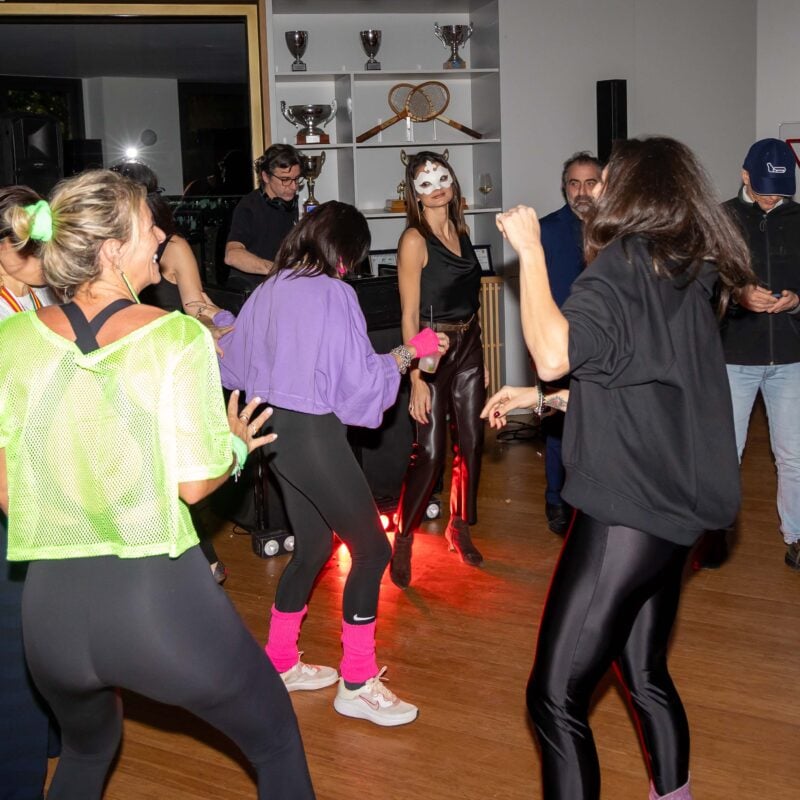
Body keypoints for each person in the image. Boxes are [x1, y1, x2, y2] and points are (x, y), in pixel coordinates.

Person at [0, 170, 315, 800]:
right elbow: (195, 484)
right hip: (155, 603)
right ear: (113, 249)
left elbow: (12, 497)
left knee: (87, 752)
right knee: (277, 741)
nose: (162, 238)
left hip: (50, 616)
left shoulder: (10, 339)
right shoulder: (175, 335)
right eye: (150, 227)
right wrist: (234, 445)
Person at [482, 137, 753, 800]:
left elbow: (554, 352)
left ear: (632, 190)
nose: (596, 191)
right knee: (643, 671)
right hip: (677, 514)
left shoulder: (623, 265)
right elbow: (640, 379)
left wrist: (531, 252)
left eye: (607, 180)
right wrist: (543, 399)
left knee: (554, 698)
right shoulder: (686, 268)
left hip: (628, 513)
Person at [214, 200, 448, 727]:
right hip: (314, 436)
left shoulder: (271, 287)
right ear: (346, 251)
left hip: (271, 434)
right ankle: (358, 682)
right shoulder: (335, 293)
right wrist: (413, 350)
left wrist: (219, 318)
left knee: (315, 546)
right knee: (372, 550)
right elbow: (360, 383)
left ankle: (280, 661)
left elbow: (237, 361)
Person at [111, 160, 230, 582]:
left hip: (168, 368)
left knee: (171, 467)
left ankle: (203, 559)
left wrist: (218, 322)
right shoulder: (110, 248)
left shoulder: (172, 246)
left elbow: (195, 304)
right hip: (124, 367)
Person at [389, 151, 487, 589]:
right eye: (425, 183)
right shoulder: (414, 240)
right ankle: (404, 536)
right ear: (414, 193)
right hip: (432, 348)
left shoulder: (461, 231)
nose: (436, 188)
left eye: (442, 178)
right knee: (429, 454)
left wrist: (479, 356)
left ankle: (458, 526)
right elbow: (410, 316)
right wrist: (416, 378)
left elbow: (471, 299)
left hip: (469, 344)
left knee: (473, 442)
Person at [706, 138, 800, 570]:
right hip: (733, 357)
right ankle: (713, 534)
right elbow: (700, 284)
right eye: (763, 189)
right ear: (745, 175)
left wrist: (797, 301)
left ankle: (796, 537)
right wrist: (738, 294)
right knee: (726, 452)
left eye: (779, 192)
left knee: (794, 455)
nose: (771, 198)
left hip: (791, 357)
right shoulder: (720, 220)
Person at [0, 185, 59, 799]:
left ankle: (51, 738)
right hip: (9, 485)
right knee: (12, 640)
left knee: (42, 626)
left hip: (44, 476)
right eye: (31, 247)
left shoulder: (38, 292)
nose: (45, 257)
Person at [538, 151, 602, 535]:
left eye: (590, 183)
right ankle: (557, 500)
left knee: (602, 428)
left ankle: (593, 503)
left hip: (605, 347)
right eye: (574, 184)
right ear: (565, 188)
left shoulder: (618, 230)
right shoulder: (545, 231)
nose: (582, 192)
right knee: (558, 426)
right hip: (557, 346)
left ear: (603, 186)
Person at [224, 143, 302, 293]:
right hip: (255, 291)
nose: (293, 187)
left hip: (283, 288)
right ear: (266, 176)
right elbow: (232, 255)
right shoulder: (248, 207)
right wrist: (279, 270)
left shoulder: (293, 204)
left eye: (296, 179)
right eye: (285, 179)